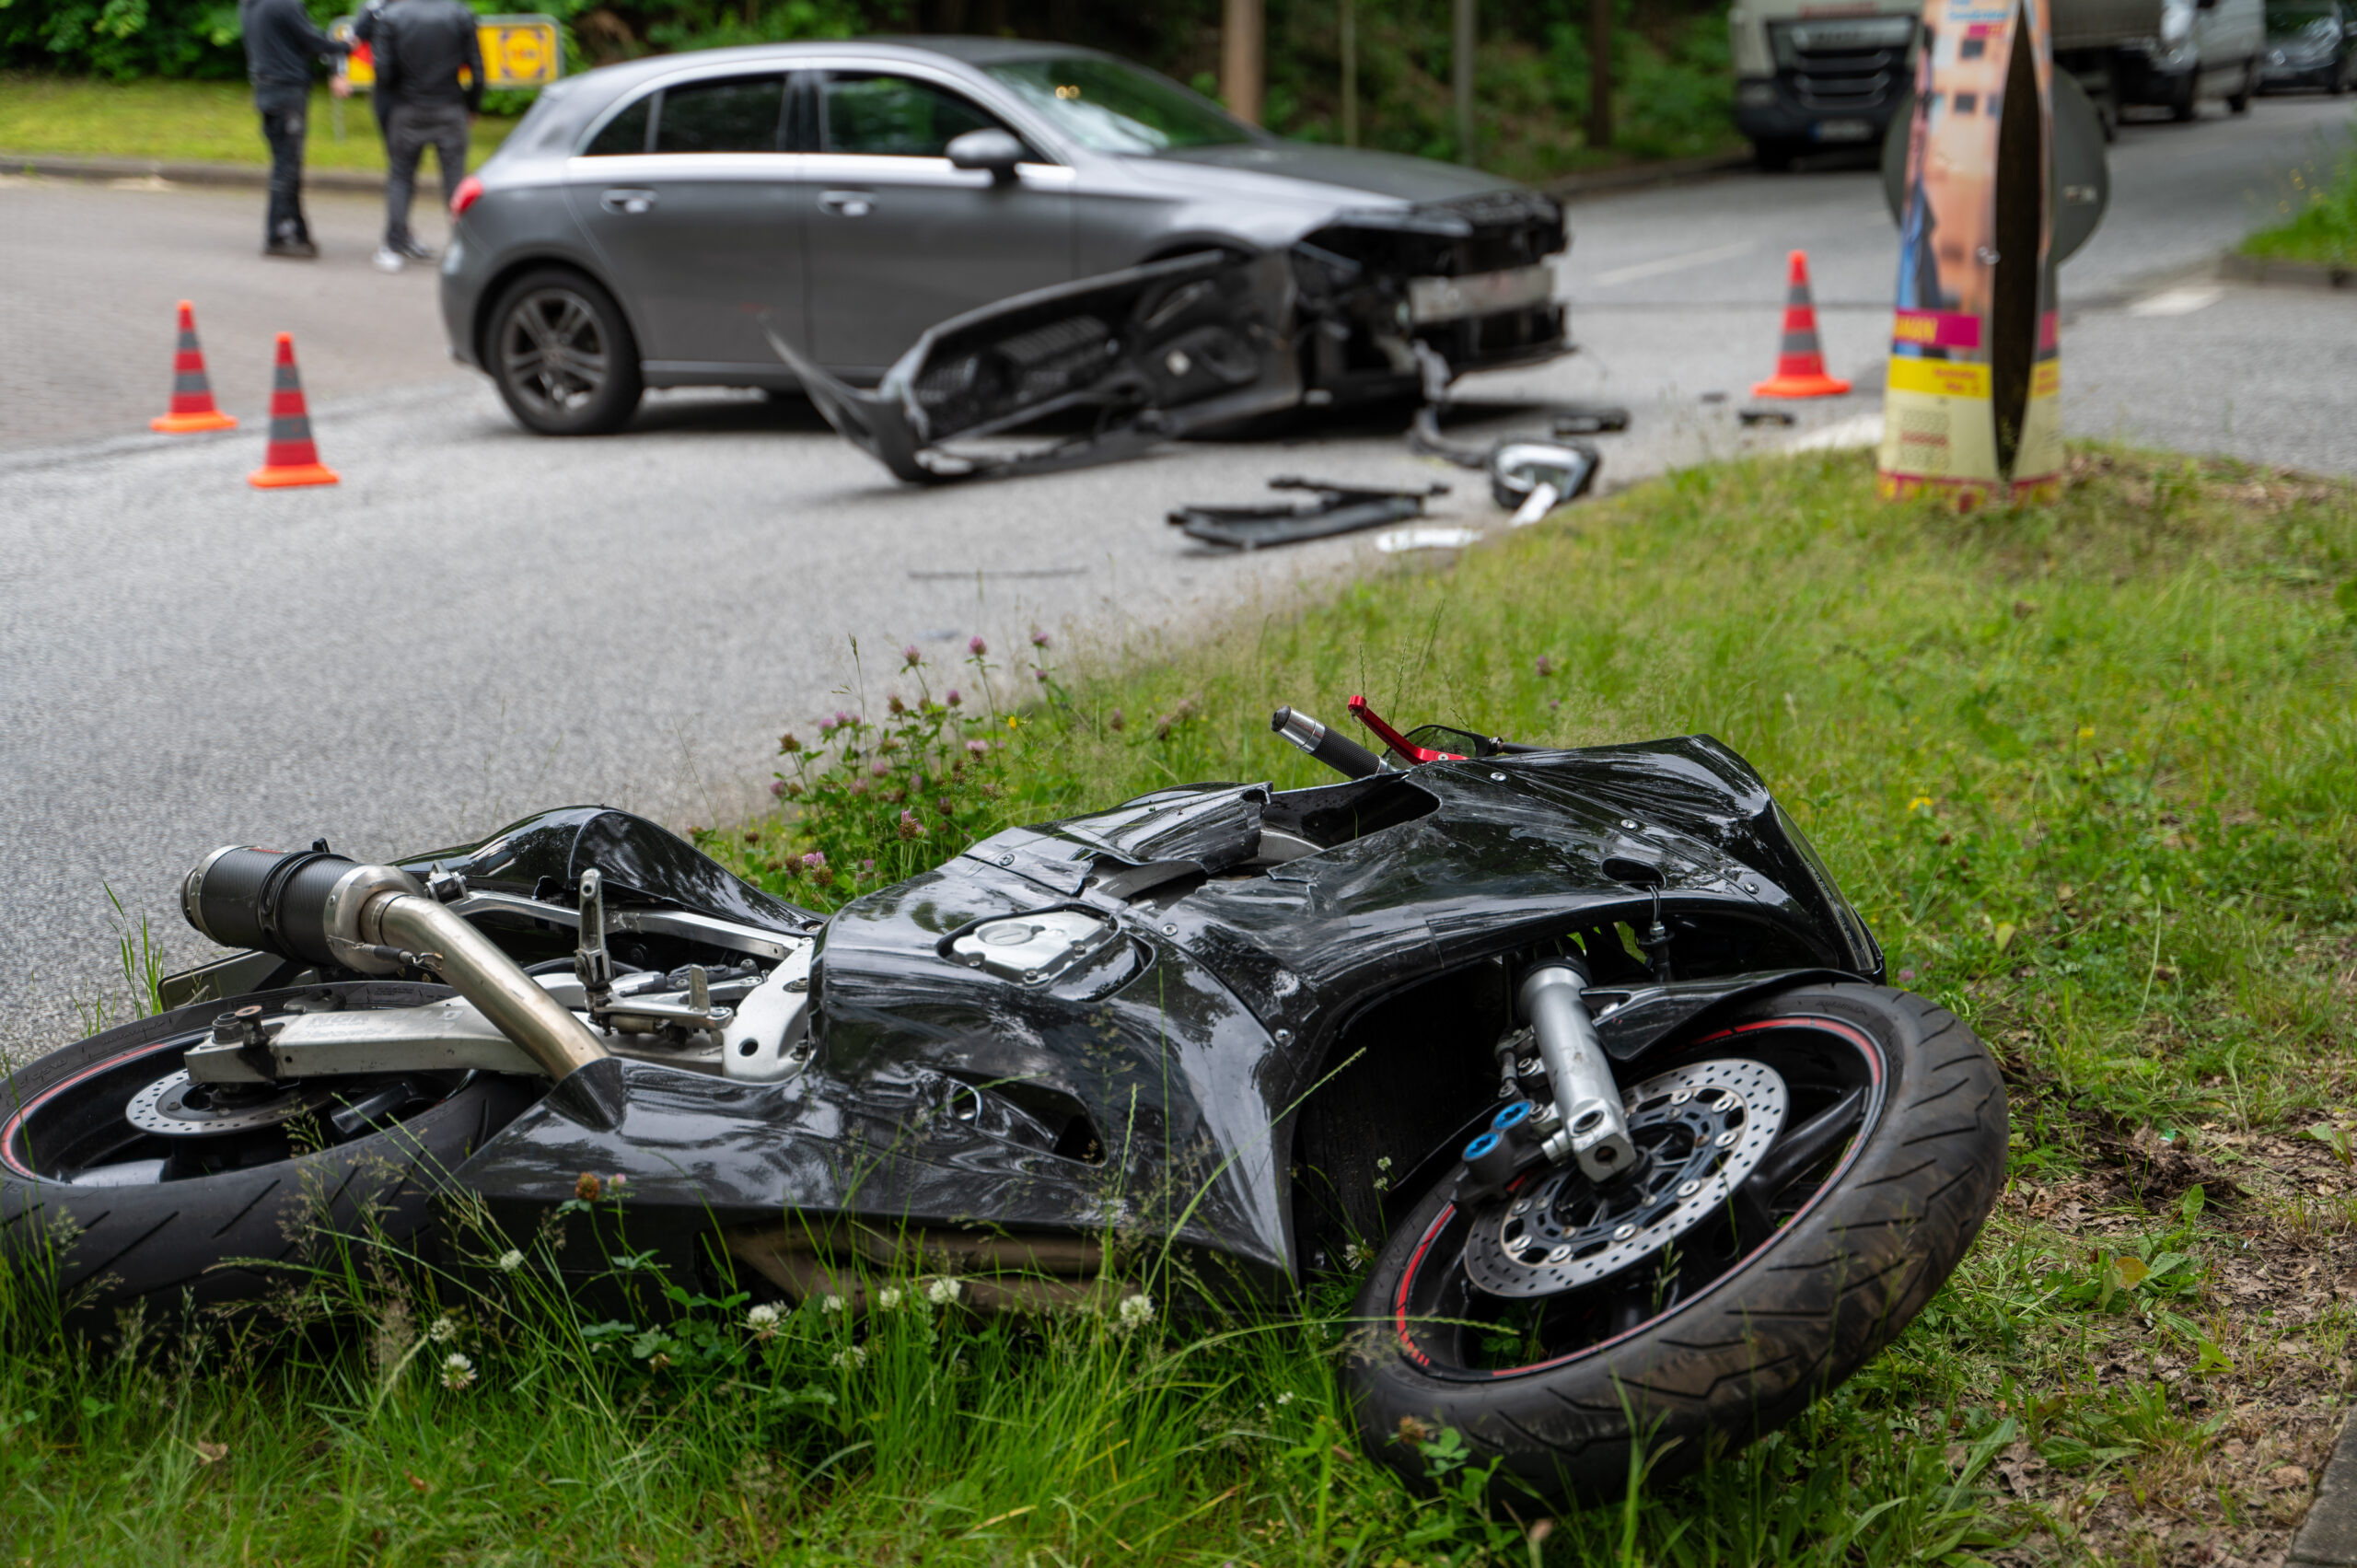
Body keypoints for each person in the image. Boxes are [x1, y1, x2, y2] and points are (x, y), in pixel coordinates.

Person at [370, 0, 484, 274]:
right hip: (450, 107)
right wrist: (472, 106)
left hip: (407, 108)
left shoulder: (392, 16)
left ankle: (393, 246)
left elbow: (383, 73)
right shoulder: (460, 14)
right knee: (455, 181)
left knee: (400, 178)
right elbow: (477, 70)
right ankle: (463, 248)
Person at [239, 0, 348, 258]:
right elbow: (311, 41)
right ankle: (279, 235)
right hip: (287, 91)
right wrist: (345, 46)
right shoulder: (284, 4)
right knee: (287, 168)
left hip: (267, 88)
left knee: (285, 164)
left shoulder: (251, 5)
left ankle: (297, 230)